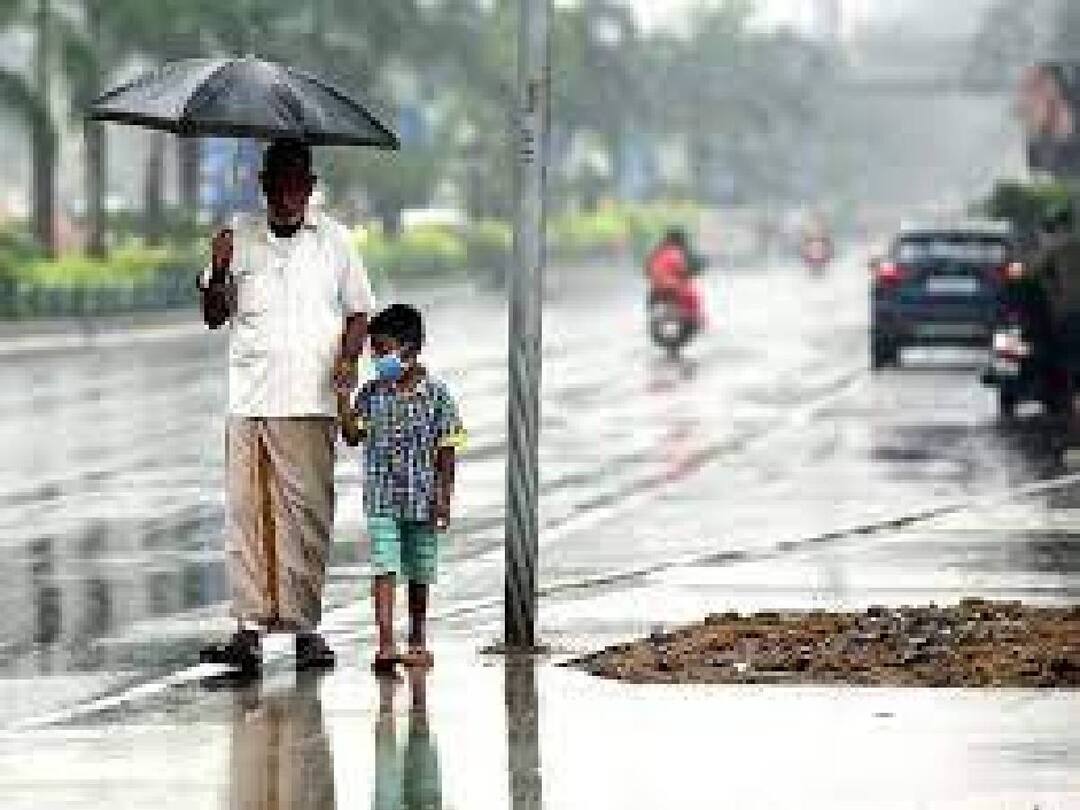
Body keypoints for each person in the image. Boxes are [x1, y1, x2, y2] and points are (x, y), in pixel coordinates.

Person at [197, 138, 374, 673]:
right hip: (250, 398)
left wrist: (347, 363)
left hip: (311, 400)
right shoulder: (237, 237)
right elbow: (212, 315)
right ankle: (248, 630)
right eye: (281, 181)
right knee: (250, 516)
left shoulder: (335, 241)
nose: (290, 191)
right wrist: (220, 270)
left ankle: (306, 629)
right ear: (264, 184)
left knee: (308, 517)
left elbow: (359, 313)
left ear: (311, 188)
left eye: (300, 182)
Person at [339, 304, 466, 672]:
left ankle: (417, 639)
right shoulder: (371, 393)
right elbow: (352, 435)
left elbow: (447, 449)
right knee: (385, 565)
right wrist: (342, 398)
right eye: (374, 350)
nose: (376, 357)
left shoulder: (438, 396)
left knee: (420, 571)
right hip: (381, 499)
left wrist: (444, 499)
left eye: (381, 348)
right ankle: (385, 643)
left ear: (408, 349)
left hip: (423, 501)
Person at [645, 227, 704, 326]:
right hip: (674, 288)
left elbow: (647, 270)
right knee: (692, 297)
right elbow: (682, 268)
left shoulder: (657, 252)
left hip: (657, 290)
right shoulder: (676, 253)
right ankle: (693, 319)